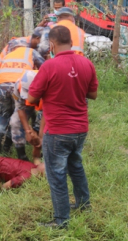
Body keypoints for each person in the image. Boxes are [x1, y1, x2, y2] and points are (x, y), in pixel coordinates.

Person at [27, 26, 98, 228]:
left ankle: (61, 220)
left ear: (51, 44)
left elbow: (32, 97)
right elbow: (93, 95)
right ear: (71, 42)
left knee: (56, 174)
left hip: (58, 130)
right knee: (75, 166)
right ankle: (84, 204)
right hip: (80, 129)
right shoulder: (87, 63)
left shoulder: (49, 66)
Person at [0, 34, 44, 155]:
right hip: (20, 84)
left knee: (3, 113)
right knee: (18, 114)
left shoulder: (8, 55)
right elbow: (44, 67)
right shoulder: (31, 52)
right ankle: (8, 146)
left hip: (2, 84)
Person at [10, 70, 43, 162]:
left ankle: (45, 151)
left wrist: (39, 139)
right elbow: (20, 108)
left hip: (47, 107)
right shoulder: (17, 87)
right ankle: (22, 155)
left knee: (45, 128)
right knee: (15, 122)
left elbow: (46, 116)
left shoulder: (48, 85)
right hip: (27, 104)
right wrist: (27, 131)